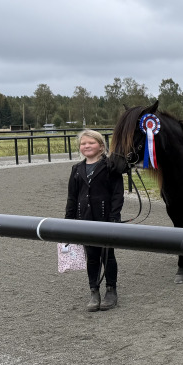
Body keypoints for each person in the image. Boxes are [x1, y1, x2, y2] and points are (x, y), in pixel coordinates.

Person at [65, 129, 124, 312]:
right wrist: (68, 221)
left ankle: (111, 289)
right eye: (83, 143)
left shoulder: (110, 167)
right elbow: (72, 197)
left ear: (101, 146)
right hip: (84, 220)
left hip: (106, 219)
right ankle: (94, 290)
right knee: (91, 256)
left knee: (108, 255)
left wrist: (114, 217)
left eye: (91, 143)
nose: (87, 146)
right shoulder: (76, 169)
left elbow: (117, 194)